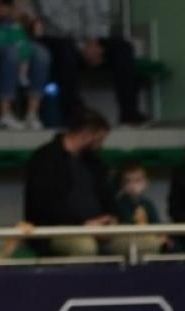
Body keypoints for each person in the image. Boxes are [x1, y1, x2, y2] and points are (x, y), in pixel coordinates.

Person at [22, 105, 116, 254]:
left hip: (100, 228)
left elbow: (108, 196)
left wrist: (111, 219)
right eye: (99, 140)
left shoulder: (95, 162)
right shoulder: (44, 159)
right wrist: (83, 224)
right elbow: (43, 207)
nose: (100, 145)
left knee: (144, 243)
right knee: (84, 247)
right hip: (58, 230)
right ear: (86, 134)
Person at [36, 0, 144, 127]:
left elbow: (94, 17)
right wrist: (82, 48)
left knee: (123, 48)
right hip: (55, 41)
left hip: (87, 42)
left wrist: (93, 43)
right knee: (65, 50)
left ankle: (129, 113)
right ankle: (74, 113)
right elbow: (54, 24)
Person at [0, 0, 48, 130]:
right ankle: (5, 114)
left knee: (41, 54)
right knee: (11, 54)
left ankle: (32, 114)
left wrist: (27, 20)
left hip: (19, 37)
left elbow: (33, 25)